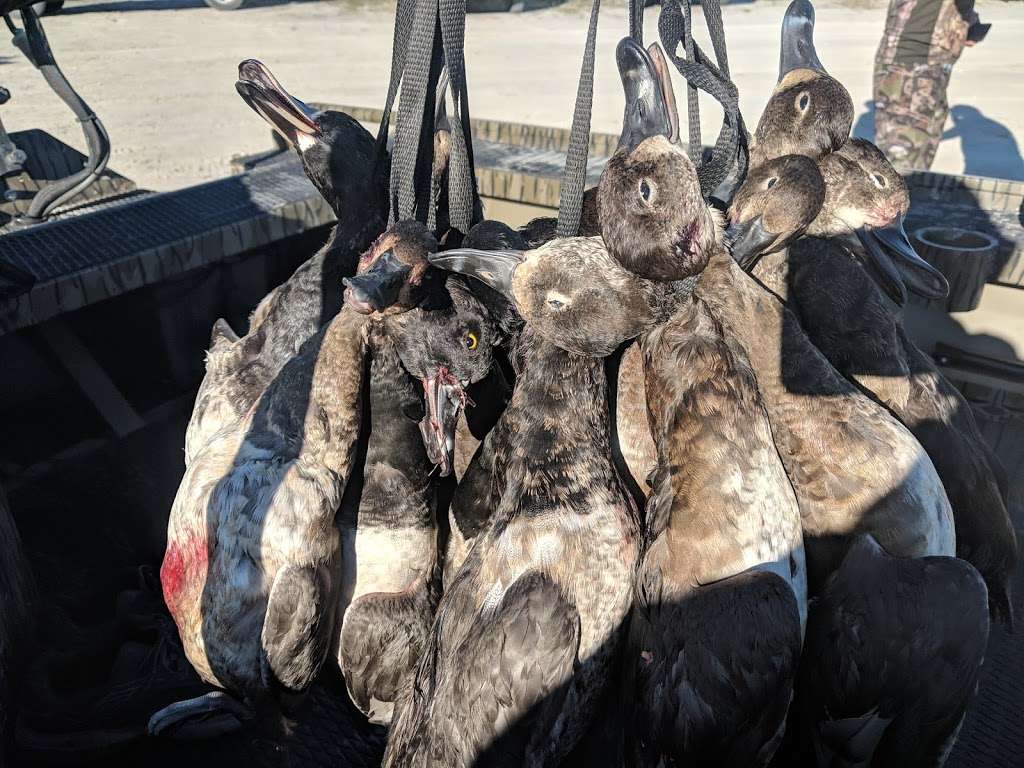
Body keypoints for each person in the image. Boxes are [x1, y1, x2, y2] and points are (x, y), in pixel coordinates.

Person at [873, 0, 988, 171]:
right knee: (902, 163)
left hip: (927, 69)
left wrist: (968, 24)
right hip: (911, 68)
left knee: (919, 155)